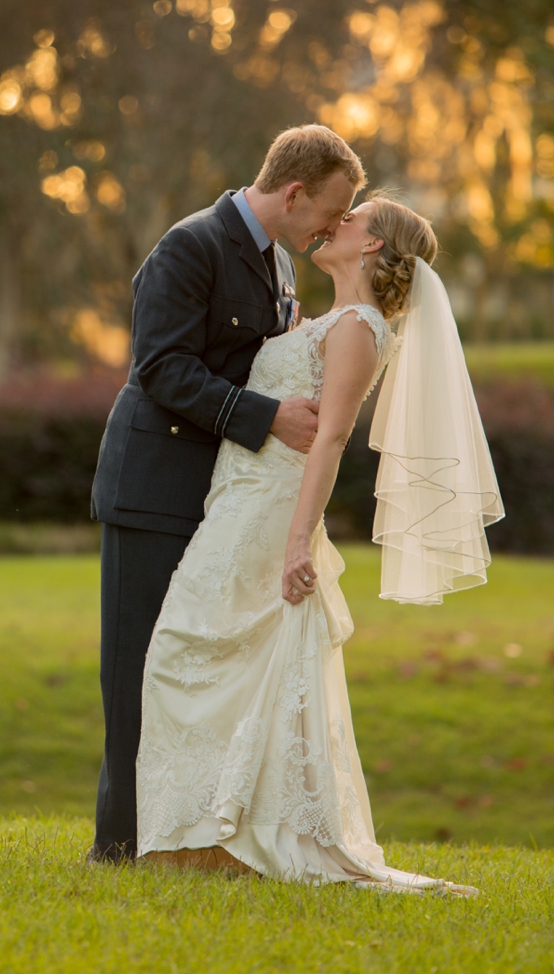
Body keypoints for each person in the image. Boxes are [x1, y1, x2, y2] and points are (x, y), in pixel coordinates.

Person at [137, 193, 503, 893]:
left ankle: (231, 834)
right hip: (237, 502)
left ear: (370, 246)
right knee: (210, 656)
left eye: (354, 217)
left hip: (271, 513)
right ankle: (209, 838)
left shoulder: (360, 328)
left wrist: (299, 540)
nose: (336, 221)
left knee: (188, 649)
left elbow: (329, 438)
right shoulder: (328, 319)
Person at [89, 125, 367, 862]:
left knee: (198, 668)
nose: (333, 229)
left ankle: (186, 840)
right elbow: (161, 368)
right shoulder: (191, 246)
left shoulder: (278, 263)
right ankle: (118, 845)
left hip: (222, 499)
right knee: (138, 667)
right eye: (330, 213)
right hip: (153, 487)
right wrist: (268, 417)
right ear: (293, 191)